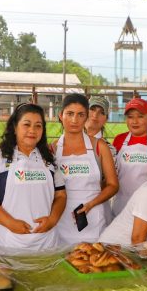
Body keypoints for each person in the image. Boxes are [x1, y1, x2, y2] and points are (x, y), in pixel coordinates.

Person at [0, 103, 67, 251]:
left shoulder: (49, 159)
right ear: (14, 127)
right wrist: (10, 223)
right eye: (26, 124)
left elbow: (61, 195)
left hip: (46, 243)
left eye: (38, 126)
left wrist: (53, 219)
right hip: (9, 242)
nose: (32, 130)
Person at [53, 94, 119, 246]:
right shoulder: (53, 148)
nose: (74, 120)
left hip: (93, 220)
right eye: (69, 114)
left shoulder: (100, 146)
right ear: (61, 115)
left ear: (86, 117)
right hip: (61, 221)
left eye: (80, 115)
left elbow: (113, 185)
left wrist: (91, 204)